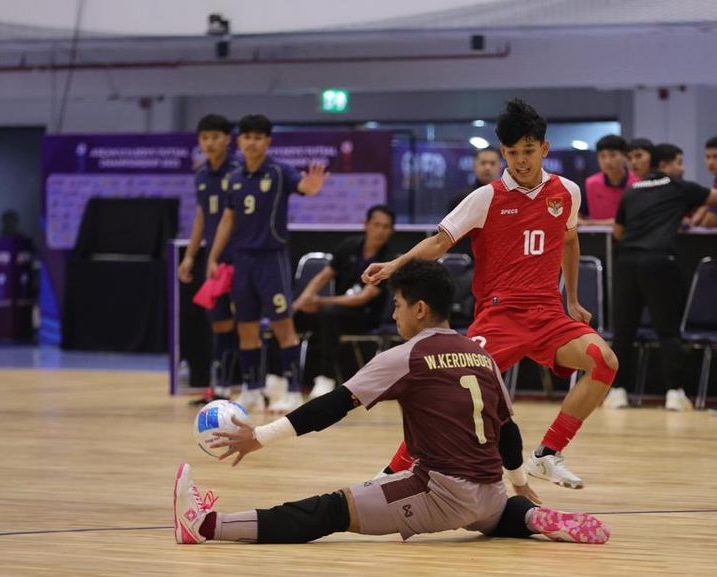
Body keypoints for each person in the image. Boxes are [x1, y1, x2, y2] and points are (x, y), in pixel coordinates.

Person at [174, 260, 610, 546]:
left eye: (398, 305)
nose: (396, 314)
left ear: (420, 309)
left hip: (438, 492)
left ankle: (206, 526)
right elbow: (509, 432)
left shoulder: (405, 356)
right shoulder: (481, 354)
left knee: (330, 510)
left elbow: (333, 405)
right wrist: (518, 483)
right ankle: (528, 516)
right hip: (492, 495)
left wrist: (260, 437)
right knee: (491, 510)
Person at [362, 99, 618, 490]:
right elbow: (438, 244)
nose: (520, 161)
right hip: (500, 316)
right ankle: (392, 473)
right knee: (450, 389)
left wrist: (573, 299)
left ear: (544, 149)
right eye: (512, 153)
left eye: (528, 152)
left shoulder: (567, 192)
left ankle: (547, 455)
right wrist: (396, 265)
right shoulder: (486, 197)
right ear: (503, 152)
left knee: (604, 361)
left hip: (548, 314)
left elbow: (569, 241)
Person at [608, 144, 717, 410]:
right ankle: (674, 393)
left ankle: (617, 392)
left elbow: (617, 231)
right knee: (668, 330)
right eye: (679, 162)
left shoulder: (632, 191)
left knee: (623, 332)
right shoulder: (677, 187)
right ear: (666, 165)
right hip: (659, 262)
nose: (682, 168)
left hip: (626, 263)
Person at [207, 114, 329, 411]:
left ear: (267, 141)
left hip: (271, 259)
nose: (252, 142)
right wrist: (212, 256)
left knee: (282, 325)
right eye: (247, 136)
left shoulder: (278, 172)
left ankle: (292, 391)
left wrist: (310, 188)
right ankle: (252, 389)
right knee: (246, 327)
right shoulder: (234, 179)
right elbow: (228, 219)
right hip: (242, 261)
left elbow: (302, 185)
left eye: (259, 137)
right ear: (240, 140)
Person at [289, 204, 396, 407]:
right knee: (291, 317)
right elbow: (323, 277)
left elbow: (362, 298)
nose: (380, 231)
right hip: (336, 311)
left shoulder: (389, 259)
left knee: (329, 313)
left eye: (386, 227)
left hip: (365, 316)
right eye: (376, 225)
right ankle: (284, 378)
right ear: (366, 225)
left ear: (392, 230)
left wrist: (319, 302)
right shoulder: (349, 246)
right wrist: (302, 302)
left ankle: (326, 378)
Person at [179, 114, 241, 403]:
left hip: (242, 258)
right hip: (214, 262)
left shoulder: (241, 171)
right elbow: (202, 217)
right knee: (219, 323)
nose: (210, 143)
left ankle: (253, 386)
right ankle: (221, 388)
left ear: (227, 139)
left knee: (248, 323)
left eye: (216, 136)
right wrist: (191, 256)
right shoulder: (202, 175)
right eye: (205, 137)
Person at [447, 147, 502, 258]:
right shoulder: (461, 199)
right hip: (468, 262)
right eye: (483, 163)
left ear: (500, 167)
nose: (487, 167)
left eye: (492, 163)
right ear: (474, 166)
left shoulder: (509, 198)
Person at [580, 135, 639, 225]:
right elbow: (578, 216)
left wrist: (591, 223)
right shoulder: (590, 184)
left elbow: (636, 219)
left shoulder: (638, 183)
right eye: (602, 156)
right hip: (597, 237)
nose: (607, 161)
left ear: (625, 157)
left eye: (613, 155)